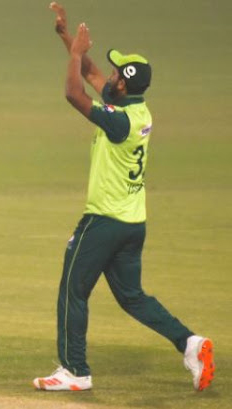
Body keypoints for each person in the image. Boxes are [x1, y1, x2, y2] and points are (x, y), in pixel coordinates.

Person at [33, 3, 215, 392]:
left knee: (72, 290)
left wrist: (79, 51)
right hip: (133, 223)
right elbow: (92, 74)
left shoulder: (118, 121)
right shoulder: (137, 109)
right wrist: (66, 37)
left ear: (125, 83)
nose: (110, 75)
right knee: (132, 297)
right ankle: (190, 344)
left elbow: (73, 92)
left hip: (104, 221)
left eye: (117, 72)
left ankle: (74, 371)